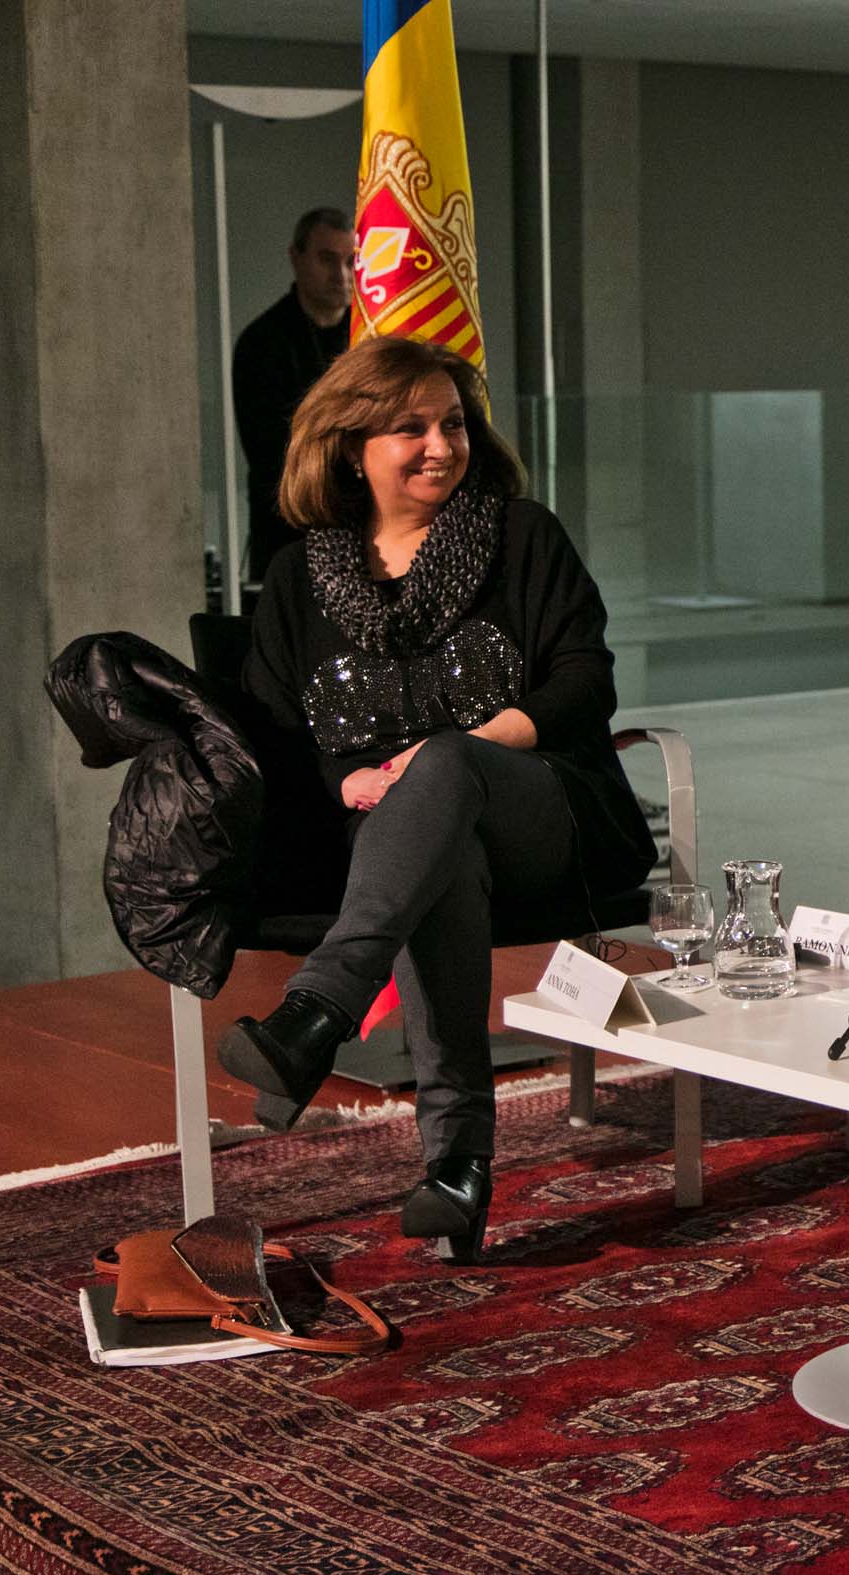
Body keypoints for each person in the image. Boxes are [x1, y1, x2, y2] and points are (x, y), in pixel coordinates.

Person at [217, 335, 655, 1263]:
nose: (441, 446)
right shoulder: (297, 579)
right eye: (410, 427)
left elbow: (586, 681)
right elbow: (276, 736)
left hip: (547, 808)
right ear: (350, 447)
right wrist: (345, 778)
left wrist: (474, 745)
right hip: (395, 842)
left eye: (452, 423)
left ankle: (318, 1011)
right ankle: (456, 1167)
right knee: (438, 842)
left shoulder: (522, 537)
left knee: (446, 769)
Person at [233, 207, 357, 585]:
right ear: (295, 257)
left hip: (360, 532)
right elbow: (274, 455)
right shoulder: (261, 343)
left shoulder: (368, 339)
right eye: (327, 259)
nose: (341, 275)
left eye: (351, 261)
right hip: (288, 536)